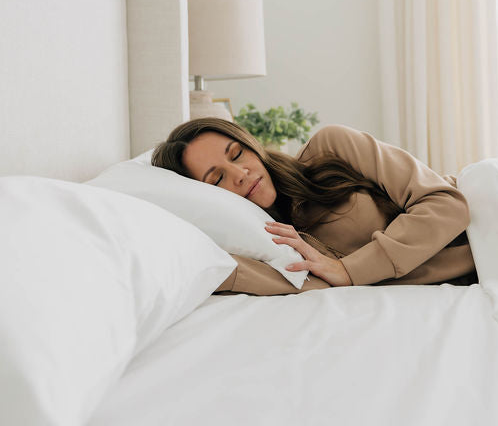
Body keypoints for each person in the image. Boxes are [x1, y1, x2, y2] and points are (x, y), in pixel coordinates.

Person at [151, 118, 477, 296]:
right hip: (481, 270)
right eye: (217, 178)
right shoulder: (263, 245)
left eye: (237, 154)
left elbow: (446, 204)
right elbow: (294, 282)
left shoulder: (331, 147)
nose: (240, 174)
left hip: (490, 212)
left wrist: (350, 270)